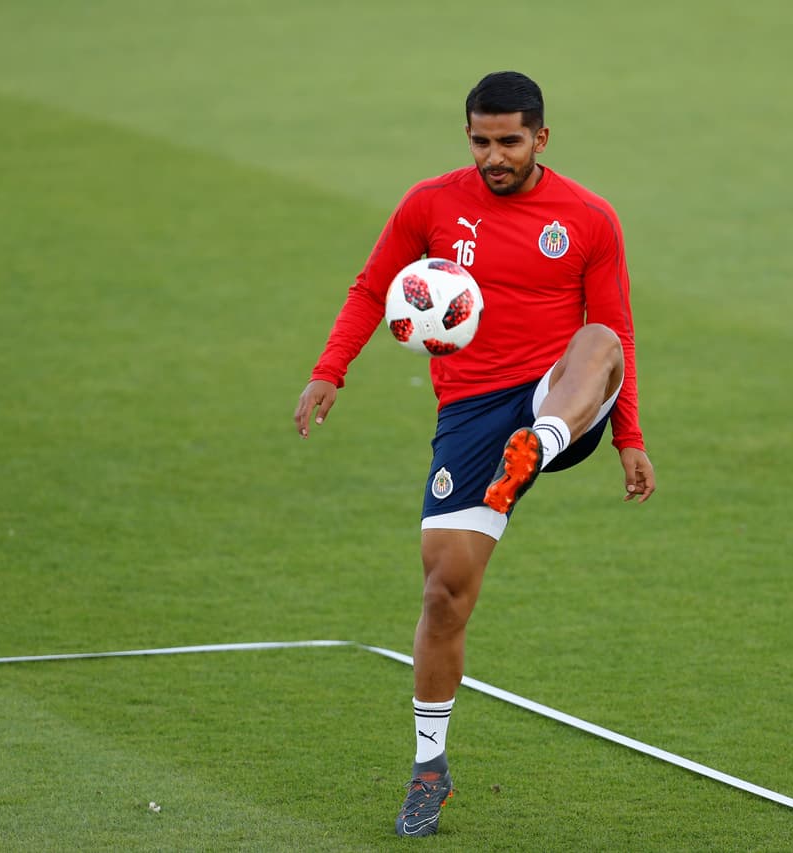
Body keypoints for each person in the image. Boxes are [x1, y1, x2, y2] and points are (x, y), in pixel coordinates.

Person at [293, 70, 655, 837]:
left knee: (595, 339)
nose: (494, 156)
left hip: (559, 396)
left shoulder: (589, 218)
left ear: (541, 139)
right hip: (468, 415)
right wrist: (331, 370)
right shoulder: (429, 204)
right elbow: (370, 288)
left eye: (510, 142)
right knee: (442, 593)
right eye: (481, 141)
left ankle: (541, 443)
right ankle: (430, 767)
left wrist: (628, 438)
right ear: (469, 136)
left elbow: (616, 333)